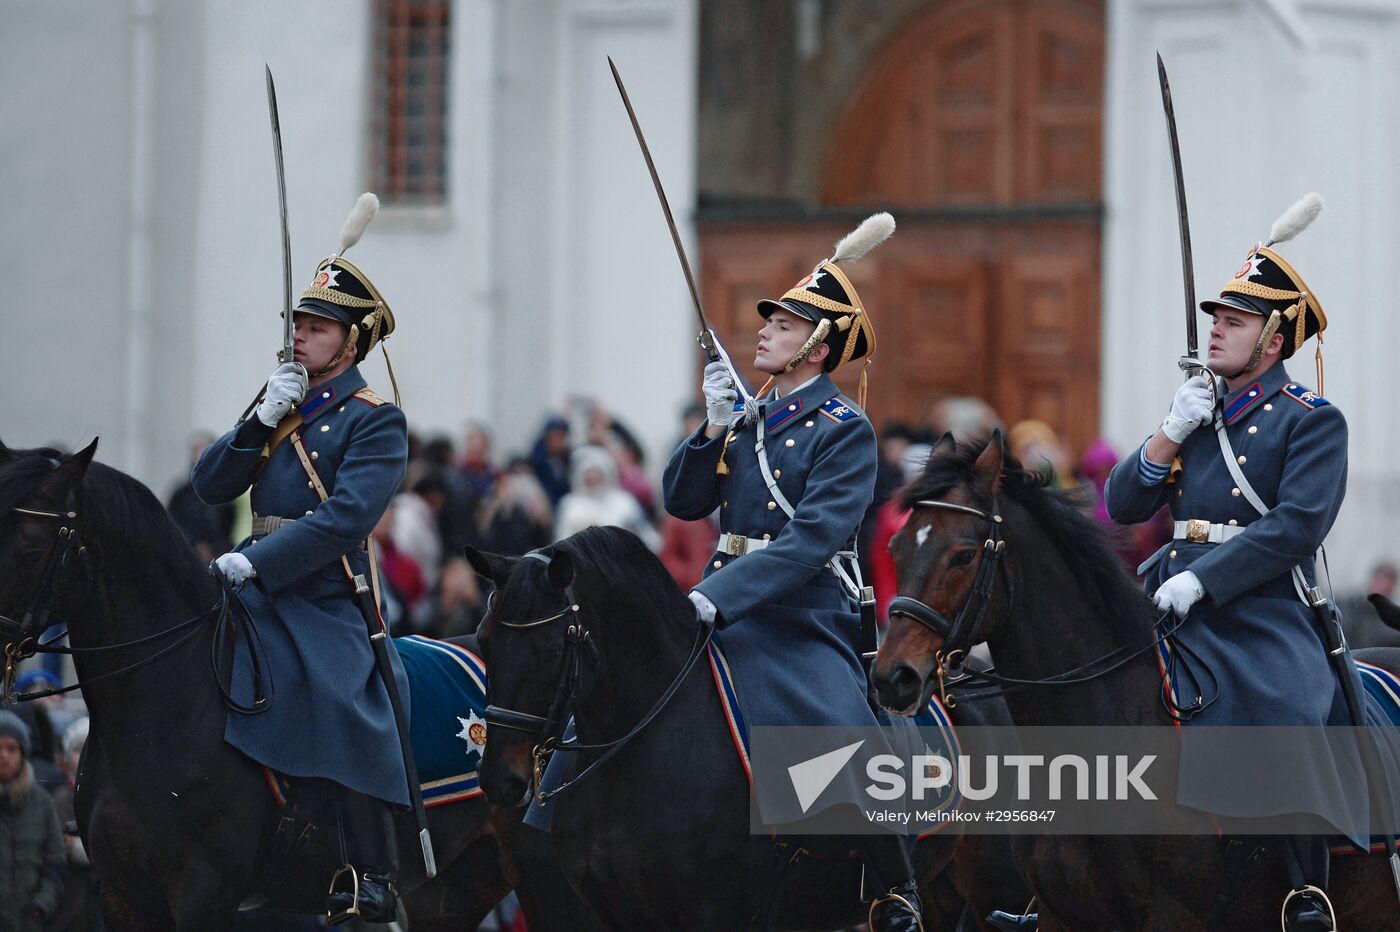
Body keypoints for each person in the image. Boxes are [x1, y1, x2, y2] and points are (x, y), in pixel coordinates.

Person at [663, 214, 923, 932]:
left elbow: (811, 541)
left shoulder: (845, 428)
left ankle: (893, 886)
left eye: (785, 323)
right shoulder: (748, 419)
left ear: (818, 345)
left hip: (798, 617)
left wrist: (717, 598)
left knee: (844, 730)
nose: (766, 330)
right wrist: (713, 426)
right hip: (719, 605)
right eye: (770, 320)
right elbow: (683, 502)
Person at [1103, 197, 1355, 931]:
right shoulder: (1199, 411)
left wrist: (1201, 579)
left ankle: (1306, 888)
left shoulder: (1311, 420)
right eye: (1216, 318)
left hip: (1260, 609)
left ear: (1273, 341)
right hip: (1166, 598)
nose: (1215, 329)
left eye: (1234, 322)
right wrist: (1167, 433)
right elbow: (1122, 506)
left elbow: (1296, 529)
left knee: (1284, 709)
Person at [191, 194, 409, 923]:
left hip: (319, 589)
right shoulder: (281, 401)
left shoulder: (375, 420)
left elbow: (348, 517)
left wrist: (261, 563)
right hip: (253, 576)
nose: (299, 337)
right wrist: (256, 420)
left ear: (350, 344)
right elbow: (211, 486)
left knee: (349, 699)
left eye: (315, 329)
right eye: (297, 325)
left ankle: (371, 870)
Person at [0, 710, 64, 932]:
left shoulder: (42, 804)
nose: (4, 756)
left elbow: (55, 864)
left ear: (23, 752)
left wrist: (40, 906)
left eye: (11, 748)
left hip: (28, 923)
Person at [554, 444, 660, 550]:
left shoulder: (625, 501)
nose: (593, 479)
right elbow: (560, 543)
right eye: (589, 474)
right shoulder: (570, 505)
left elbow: (649, 538)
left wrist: (633, 536)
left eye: (597, 474)